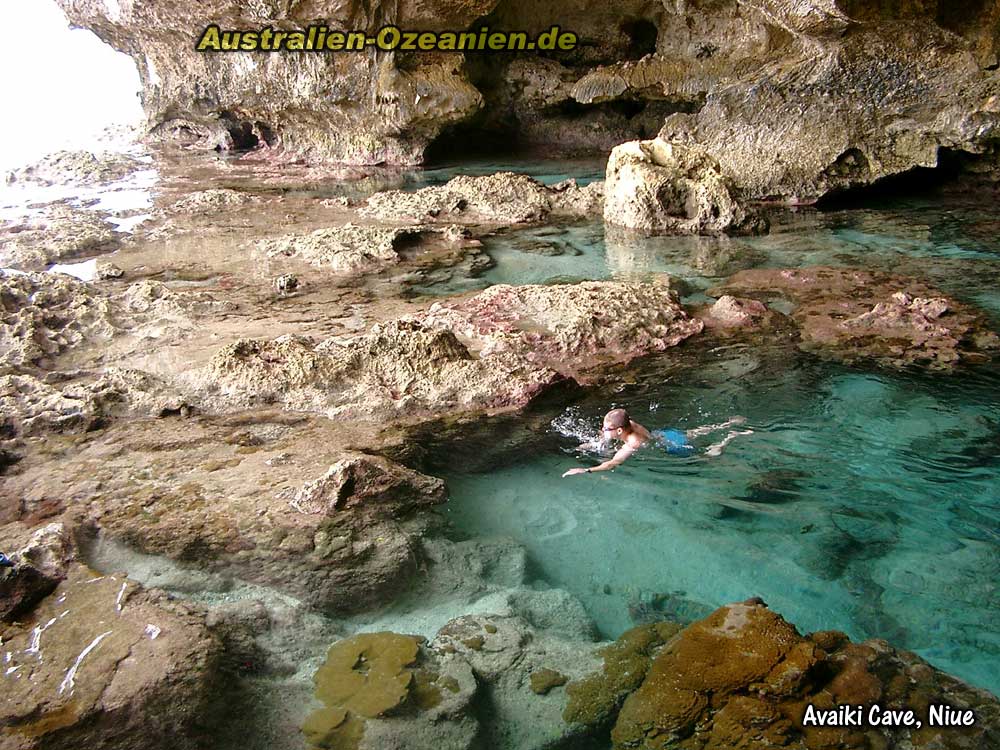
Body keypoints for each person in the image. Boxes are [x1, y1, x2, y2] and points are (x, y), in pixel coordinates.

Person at [561, 408, 751, 477]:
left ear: (619, 430)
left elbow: (614, 463)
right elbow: (608, 437)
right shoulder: (630, 423)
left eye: (606, 429)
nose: (603, 431)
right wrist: (589, 445)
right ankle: (727, 423)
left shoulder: (633, 443)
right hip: (665, 434)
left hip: (671, 447)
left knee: (706, 458)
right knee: (691, 433)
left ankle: (731, 435)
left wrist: (586, 470)